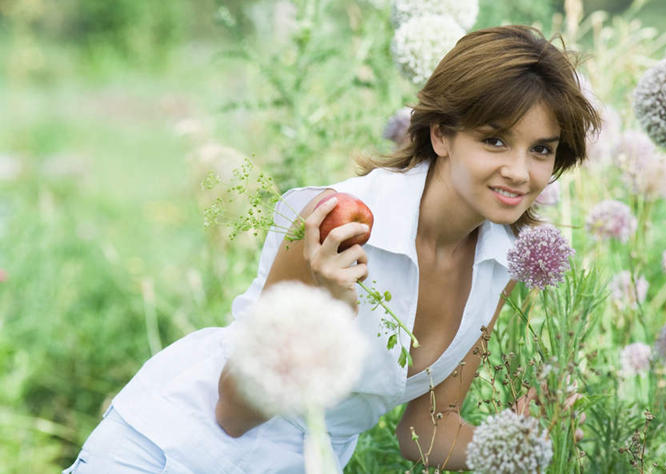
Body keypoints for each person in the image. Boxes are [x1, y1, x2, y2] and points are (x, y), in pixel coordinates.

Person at [64, 25, 600, 473]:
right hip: (170, 451)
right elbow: (232, 410)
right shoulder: (340, 221)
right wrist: (324, 314)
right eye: (495, 139)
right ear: (441, 134)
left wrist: (516, 447)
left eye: (541, 150)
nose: (519, 171)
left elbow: (423, 433)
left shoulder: (500, 266)